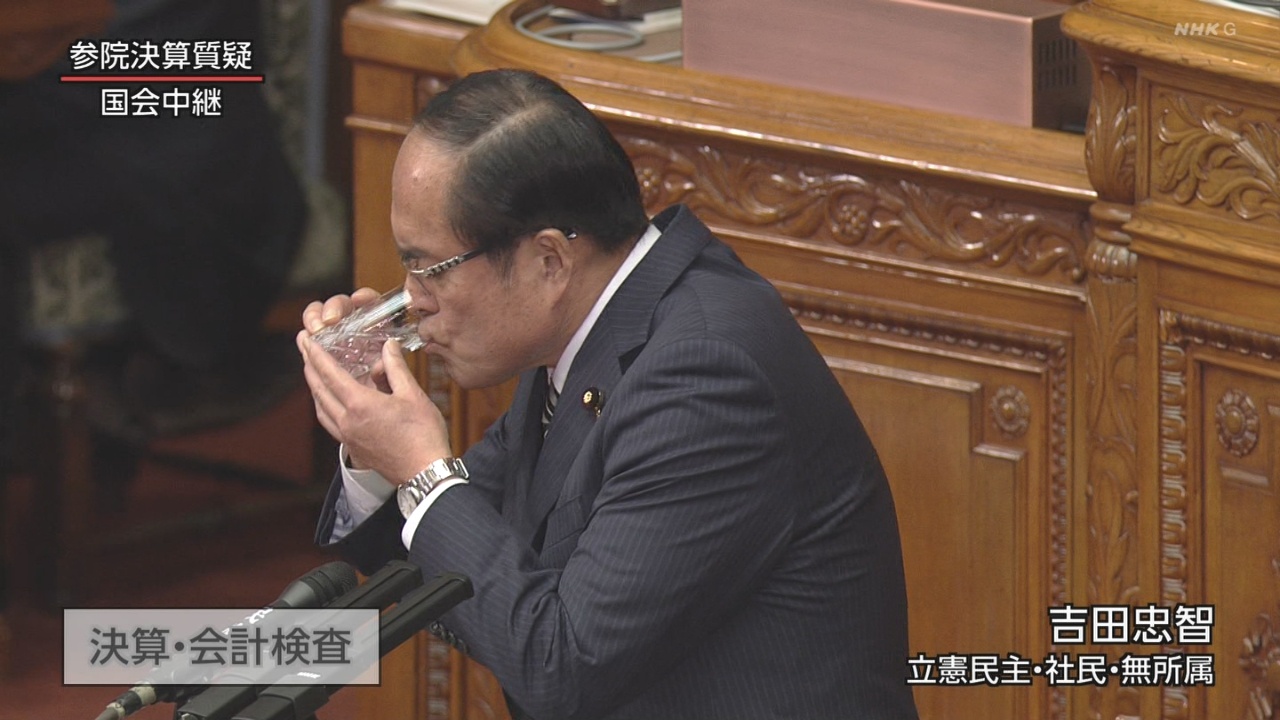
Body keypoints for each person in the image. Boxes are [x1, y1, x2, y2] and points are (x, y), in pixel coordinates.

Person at [299, 68, 918, 720]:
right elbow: (448, 559)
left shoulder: (705, 380)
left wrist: (423, 470)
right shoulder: (584, 335)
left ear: (549, 261)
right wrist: (375, 446)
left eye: (430, 269)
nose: (412, 301)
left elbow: (562, 667)